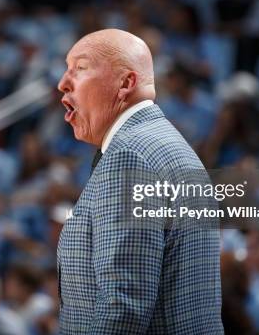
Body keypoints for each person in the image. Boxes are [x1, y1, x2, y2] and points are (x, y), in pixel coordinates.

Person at [56, 28, 223, 333]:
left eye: (80, 69)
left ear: (126, 83)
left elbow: (123, 310)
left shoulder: (130, 157)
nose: (62, 83)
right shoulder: (162, 143)